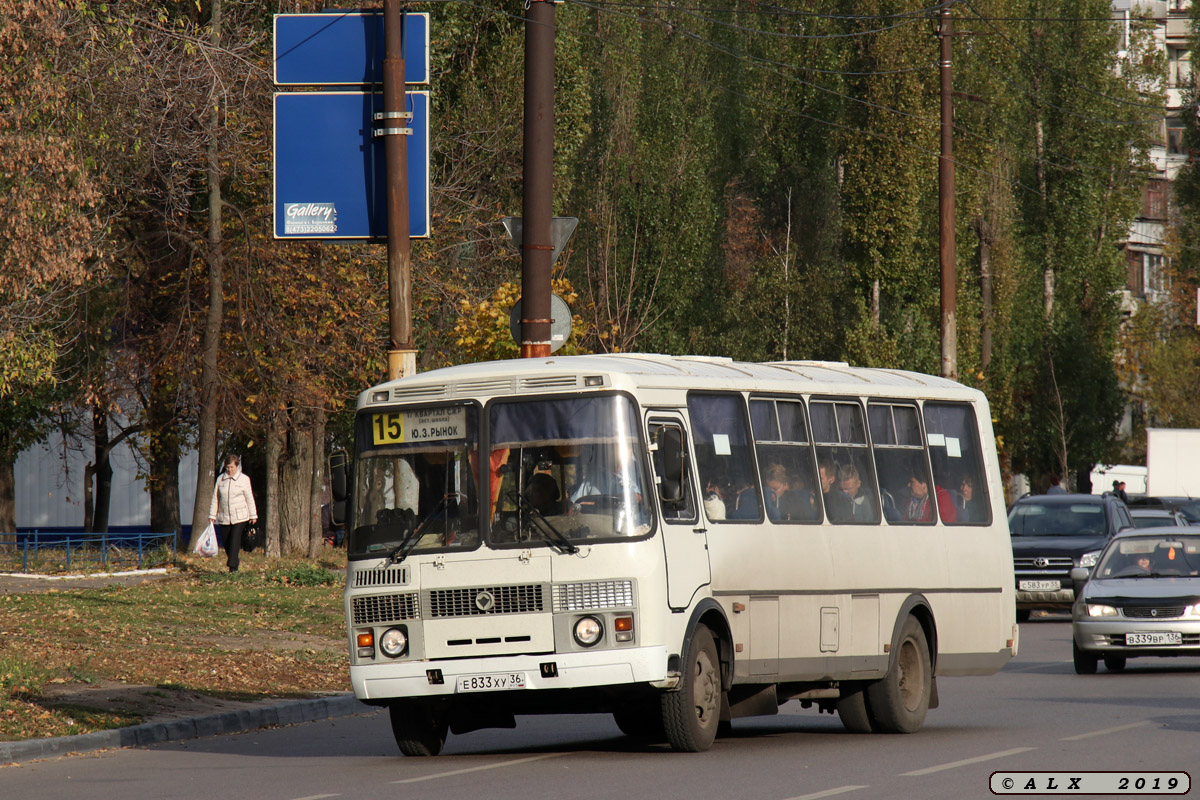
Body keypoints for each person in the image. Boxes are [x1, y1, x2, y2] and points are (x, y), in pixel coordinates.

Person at [209, 454, 258, 573]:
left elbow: (249, 497)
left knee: (235, 540)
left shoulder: (244, 479)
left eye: (232, 467)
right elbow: (215, 498)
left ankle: (233, 568)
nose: (230, 470)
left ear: (237, 466)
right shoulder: (221, 479)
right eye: (227, 467)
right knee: (227, 543)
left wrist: (253, 515)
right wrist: (212, 515)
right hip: (224, 516)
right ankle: (234, 562)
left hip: (240, 516)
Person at [818, 456, 850, 522]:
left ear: (831, 480)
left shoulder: (841, 500)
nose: (815, 480)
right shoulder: (807, 496)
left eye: (820, 478)